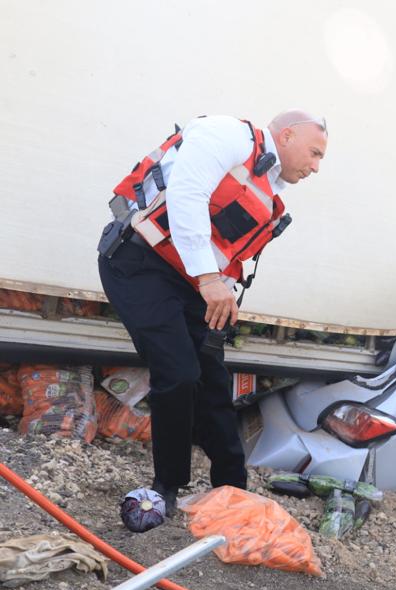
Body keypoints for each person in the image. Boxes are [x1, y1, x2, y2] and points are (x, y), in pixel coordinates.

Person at [97, 111, 328, 513]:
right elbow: (187, 193)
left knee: (213, 382)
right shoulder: (228, 135)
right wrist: (208, 280)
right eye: (314, 153)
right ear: (286, 135)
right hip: (139, 264)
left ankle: (232, 489)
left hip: (190, 282)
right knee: (179, 373)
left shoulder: (266, 186)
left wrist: (218, 287)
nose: (316, 166)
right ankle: (166, 488)